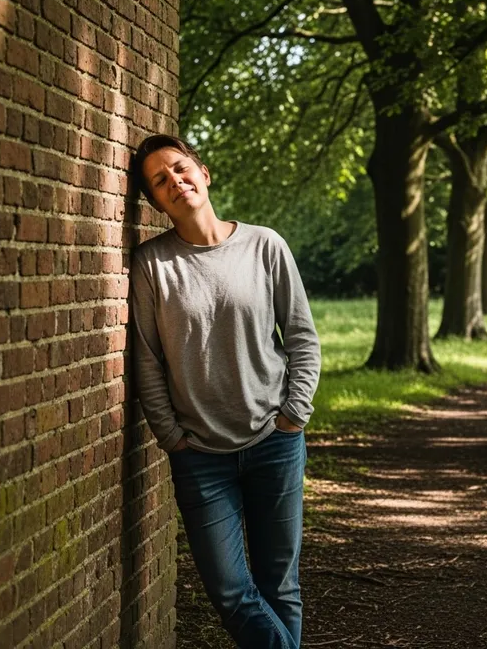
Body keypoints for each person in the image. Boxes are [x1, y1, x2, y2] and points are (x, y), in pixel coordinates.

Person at [129, 133, 320, 649]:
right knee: (231, 592)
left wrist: (293, 414)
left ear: (204, 173)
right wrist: (171, 436)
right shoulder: (152, 265)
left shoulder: (265, 246)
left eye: (180, 168)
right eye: (160, 181)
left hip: (274, 442)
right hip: (200, 456)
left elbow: (301, 335)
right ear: (154, 201)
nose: (175, 182)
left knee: (280, 585)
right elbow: (147, 358)